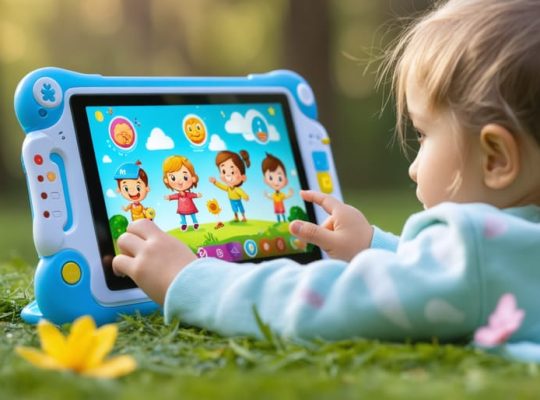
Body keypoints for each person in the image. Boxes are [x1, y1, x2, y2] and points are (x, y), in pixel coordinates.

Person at [112, 0, 540, 343]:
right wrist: (373, 246)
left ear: (496, 159)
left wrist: (189, 280)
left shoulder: (477, 252)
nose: (413, 168)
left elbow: (322, 306)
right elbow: (438, 280)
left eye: (423, 134)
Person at [162, 155, 202, 231]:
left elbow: (192, 194)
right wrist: (169, 197)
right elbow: (174, 196)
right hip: (181, 208)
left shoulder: (188, 194)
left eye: (185, 177)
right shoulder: (178, 195)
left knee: (192, 214)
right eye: (173, 178)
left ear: (193, 178)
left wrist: (197, 195)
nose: (179, 182)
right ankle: (184, 224)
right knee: (182, 215)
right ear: (166, 180)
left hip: (190, 207)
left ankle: (195, 223)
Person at [209, 150, 251, 222]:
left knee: (241, 208)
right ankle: (236, 217)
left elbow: (242, 193)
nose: (228, 175)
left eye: (232, 172)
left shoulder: (237, 189)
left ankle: (243, 217)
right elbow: (222, 186)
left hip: (238, 200)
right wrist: (215, 182)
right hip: (231, 200)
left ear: (243, 177)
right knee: (234, 209)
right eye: (223, 171)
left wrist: (245, 197)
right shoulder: (228, 188)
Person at [262, 153, 294, 223]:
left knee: (282, 213)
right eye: (270, 178)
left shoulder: (281, 194)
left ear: (286, 180)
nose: (276, 183)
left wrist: (290, 194)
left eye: (280, 178)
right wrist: (266, 196)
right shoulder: (274, 195)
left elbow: (285, 197)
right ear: (265, 180)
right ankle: (279, 222)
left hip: (281, 206)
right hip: (276, 206)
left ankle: (284, 221)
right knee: (277, 214)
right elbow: (271, 198)